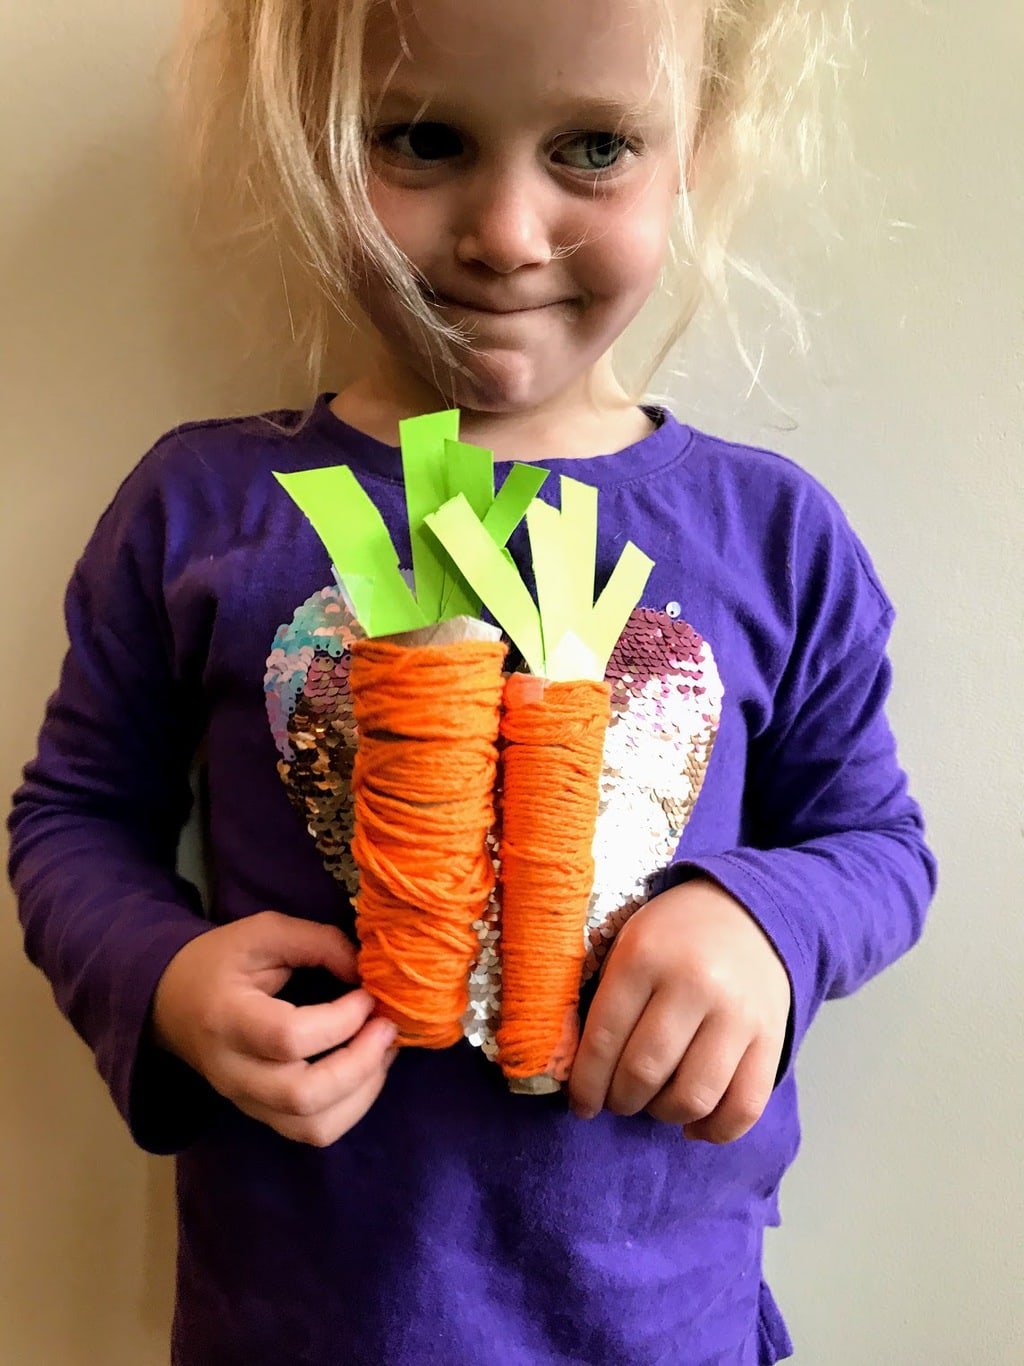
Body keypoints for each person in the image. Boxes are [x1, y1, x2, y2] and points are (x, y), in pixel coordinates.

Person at [7, 1, 938, 1362]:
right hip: (303, 1324)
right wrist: (166, 976)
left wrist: (768, 923)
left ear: (698, 147)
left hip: (662, 1320)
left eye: (597, 146)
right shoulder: (201, 508)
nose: (505, 233)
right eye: (422, 138)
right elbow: (71, 818)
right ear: (312, 142)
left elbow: (880, 844)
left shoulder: (775, 536)